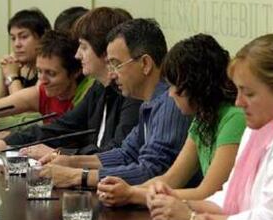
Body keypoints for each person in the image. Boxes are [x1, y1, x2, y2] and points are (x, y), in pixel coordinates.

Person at [147, 34, 273, 220]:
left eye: (249, 94)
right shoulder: (257, 129)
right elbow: (228, 196)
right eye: (238, 91)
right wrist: (182, 204)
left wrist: (192, 218)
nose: (238, 102)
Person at [38, 18, 192, 188]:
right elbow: (127, 154)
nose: (111, 74)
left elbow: (151, 171)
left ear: (145, 64)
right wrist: (70, 161)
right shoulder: (150, 102)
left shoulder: (171, 103)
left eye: (116, 65)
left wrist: (76, 176)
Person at [96, 34, 246, 207]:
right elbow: (171, 178)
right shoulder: (203, 118)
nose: (170, 93)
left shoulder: (234, 118)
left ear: (197, 85)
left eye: (176, 85)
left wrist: (133, 195)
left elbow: (208, 192)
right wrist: (126, 191)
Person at [0, 7, 141, 157]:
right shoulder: (99, 89)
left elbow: (118, 154)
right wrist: (6, 143)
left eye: (84, 47)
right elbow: (63, 127)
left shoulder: (132, 94)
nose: (77, 55)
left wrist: (59, 154)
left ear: (106, 52)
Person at [0, 8, 51, 137]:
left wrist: (12, 77)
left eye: (23, 37)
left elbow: (25, 113)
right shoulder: (21, 68)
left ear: (43, 37)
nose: (17, 44)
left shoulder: (48, 70)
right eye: (13, 38)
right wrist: (4, 76)